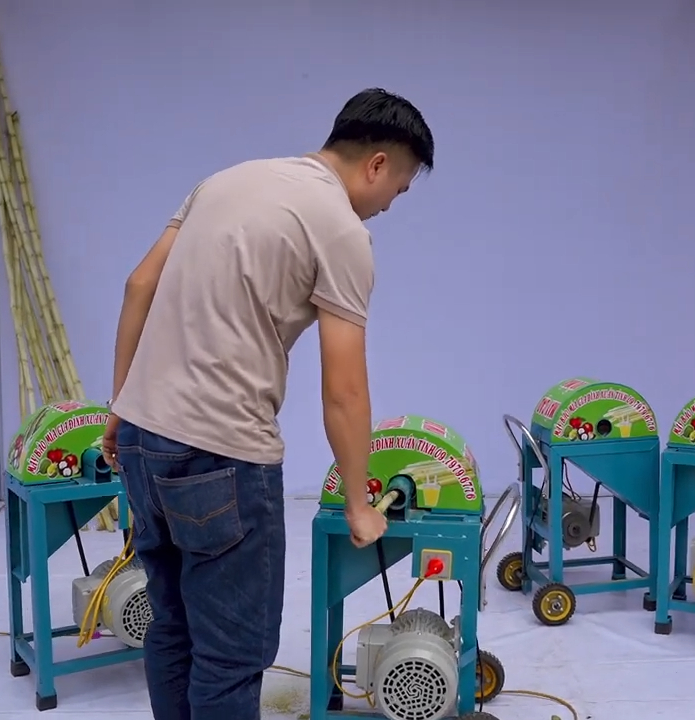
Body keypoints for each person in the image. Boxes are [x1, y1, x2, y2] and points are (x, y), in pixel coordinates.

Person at [100, 88, 435, 720]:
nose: (391, 204)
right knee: (231, 655)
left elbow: (139, 283)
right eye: (400, 187)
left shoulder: (223, 181)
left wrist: (122, 402)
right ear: (378, 164)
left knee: (172, 625)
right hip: (221, 453)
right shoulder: (342, 231)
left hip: (143, 436)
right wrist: (360, 504)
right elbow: (344, 388)